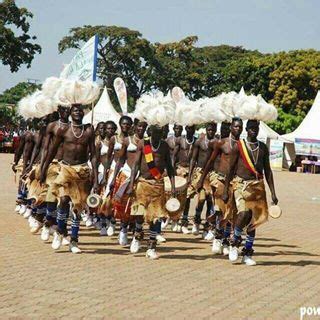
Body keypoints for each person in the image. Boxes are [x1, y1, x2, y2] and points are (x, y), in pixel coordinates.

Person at [41, 104, 98, 254]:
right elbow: (52, 151)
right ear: (71, 113)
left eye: (80, 110)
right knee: (64, 200)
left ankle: (73, 240)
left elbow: (93, 154)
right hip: (65, 169)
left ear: (84, 113)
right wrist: (43, 169)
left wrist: (96, 177)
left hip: (82, 170)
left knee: (77, 206)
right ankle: (60, 231)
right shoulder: (63, 130)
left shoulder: (89, 130)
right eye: (75, 110)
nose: (77, 113)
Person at [222, 120, 278, 266]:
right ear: (246, 130)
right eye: (251, 128)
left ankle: (247, 252)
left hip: (258, 186)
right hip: (241, 185)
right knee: (243, 213)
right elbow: (230, 169)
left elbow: (268, 171)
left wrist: (273, 192)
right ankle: (234, 242)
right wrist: (226, 189)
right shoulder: (238, 147)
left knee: (254, 221)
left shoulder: (263, 148)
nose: (254, 130)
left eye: (256, 128)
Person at [127, 124, 175, 259]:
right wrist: (131, 184)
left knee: (156, 217)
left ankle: (151, 247)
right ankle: (137, 235)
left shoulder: (164, 146)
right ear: (151, 132)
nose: (157, 136)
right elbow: (136, 164)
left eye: (160, 133)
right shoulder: (143, 143)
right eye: (155, 133)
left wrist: (173, 187)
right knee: (138, 213)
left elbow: (170, 167)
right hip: (142, 182)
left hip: (158, 184)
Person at [198, 118, 243, 252]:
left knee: (232, 213)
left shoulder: (243, 145)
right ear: (231, 128)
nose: (238, 129)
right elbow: (210, 161)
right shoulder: (222, 143)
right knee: (219, 211)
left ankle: (225, 241)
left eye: (240, 127)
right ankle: (217, 237)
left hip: (236, 182)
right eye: (235, 127)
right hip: (221, 180)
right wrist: (201, 179)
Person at [109, 119, 148, 246]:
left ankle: (137, 234)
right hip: (125, 174)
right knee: (124, 207)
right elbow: (120, 160)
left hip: (140, 178)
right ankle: (123, 230)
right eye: (139, 126)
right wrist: (113, 178)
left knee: (139, 207)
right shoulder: (127, 140)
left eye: (144, 126)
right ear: (135, 127)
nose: (141, 129)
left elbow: (149, 161)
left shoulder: (147, 143)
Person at [38, 106, 70, 242]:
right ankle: (48, 223)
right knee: (51, 196)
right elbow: (46, 148)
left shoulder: (74, 127)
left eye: (69, 109)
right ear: (59, 110)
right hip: (53, 164)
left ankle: (62, 228)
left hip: (68, 167)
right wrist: (43, 167)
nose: (66, 111)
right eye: (63, 109)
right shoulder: (52, 126)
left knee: (65, 199)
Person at [99, 116, 133, 237]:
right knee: (109, 195)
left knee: (125, 198)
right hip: (114, 168)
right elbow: (109, 157)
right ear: (120, 124)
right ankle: (108, 222)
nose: (125, 126)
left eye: (128, 124)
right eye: (123, 124)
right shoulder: (114, 139)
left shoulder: (132, 139)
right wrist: (105, 173)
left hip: (128, 170)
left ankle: (124, 225)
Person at [181, 122, 216, 235]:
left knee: (210, 200)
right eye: (209, 129)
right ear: (206, 129)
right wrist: (190, 174)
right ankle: (191, 221)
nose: (211, 132)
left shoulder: (217, 142)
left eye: (213, 130)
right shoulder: (199, 142)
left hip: (211, 174)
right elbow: (193, 159)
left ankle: (207, 226)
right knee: (196, 198)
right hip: (199, 172)